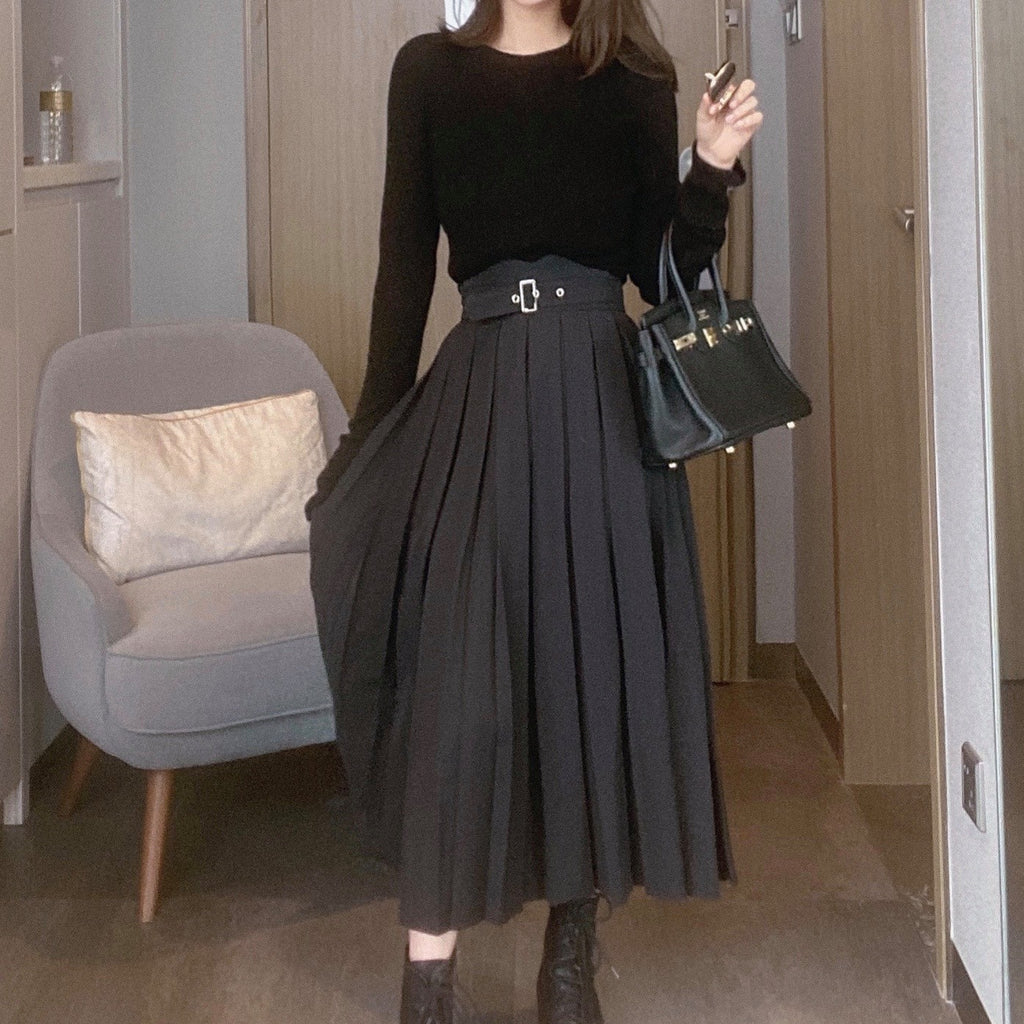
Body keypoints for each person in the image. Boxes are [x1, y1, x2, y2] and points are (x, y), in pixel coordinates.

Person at [305, 1, 763, 1021]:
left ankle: (570, 961)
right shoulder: (428, 71)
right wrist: (364, 444)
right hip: (478, 394)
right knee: (456, 691)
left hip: (601, 404)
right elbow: (401, 268)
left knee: (584, 673)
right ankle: (428, 981)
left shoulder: (635, 78)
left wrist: (708, 169)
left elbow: (659, 278)